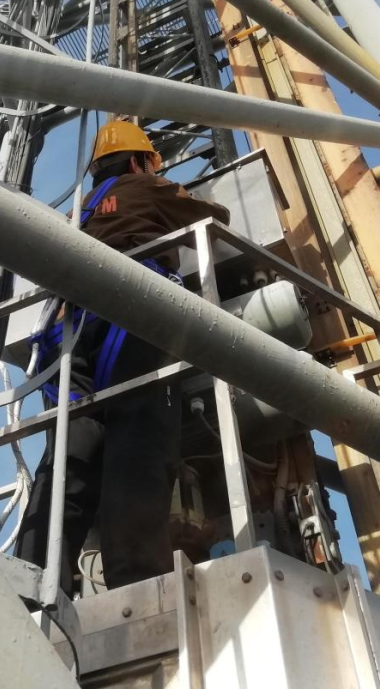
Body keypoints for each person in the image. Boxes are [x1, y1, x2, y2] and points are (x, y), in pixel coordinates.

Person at [16, 120, 230, 592]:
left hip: (65, 333)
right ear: (138, 162)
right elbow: (214, 218)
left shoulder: (77, 211)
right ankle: (137, 583)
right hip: (131, 316)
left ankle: (34, 580)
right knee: (139, 439)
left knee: (70, 455)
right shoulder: (147, 186)